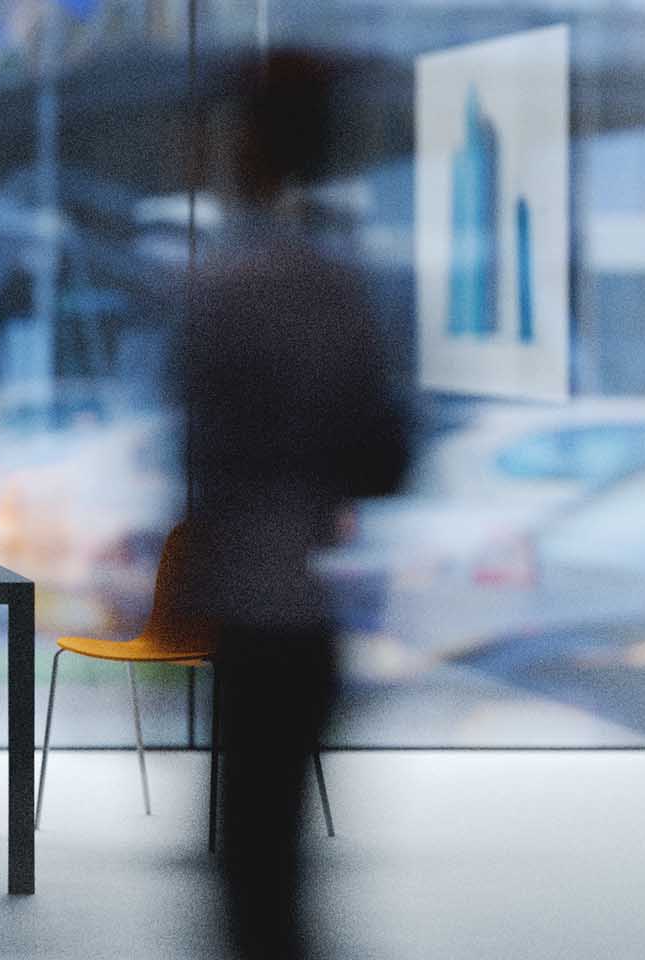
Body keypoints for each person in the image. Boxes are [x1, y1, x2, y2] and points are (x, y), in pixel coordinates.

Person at [170, 50, 415, 960]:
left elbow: (197, 459)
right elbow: (387, 457)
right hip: (312, 614)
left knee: (255, 885)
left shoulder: (228, 289)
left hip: (248, 613)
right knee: (280, 882)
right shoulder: (344, 290)